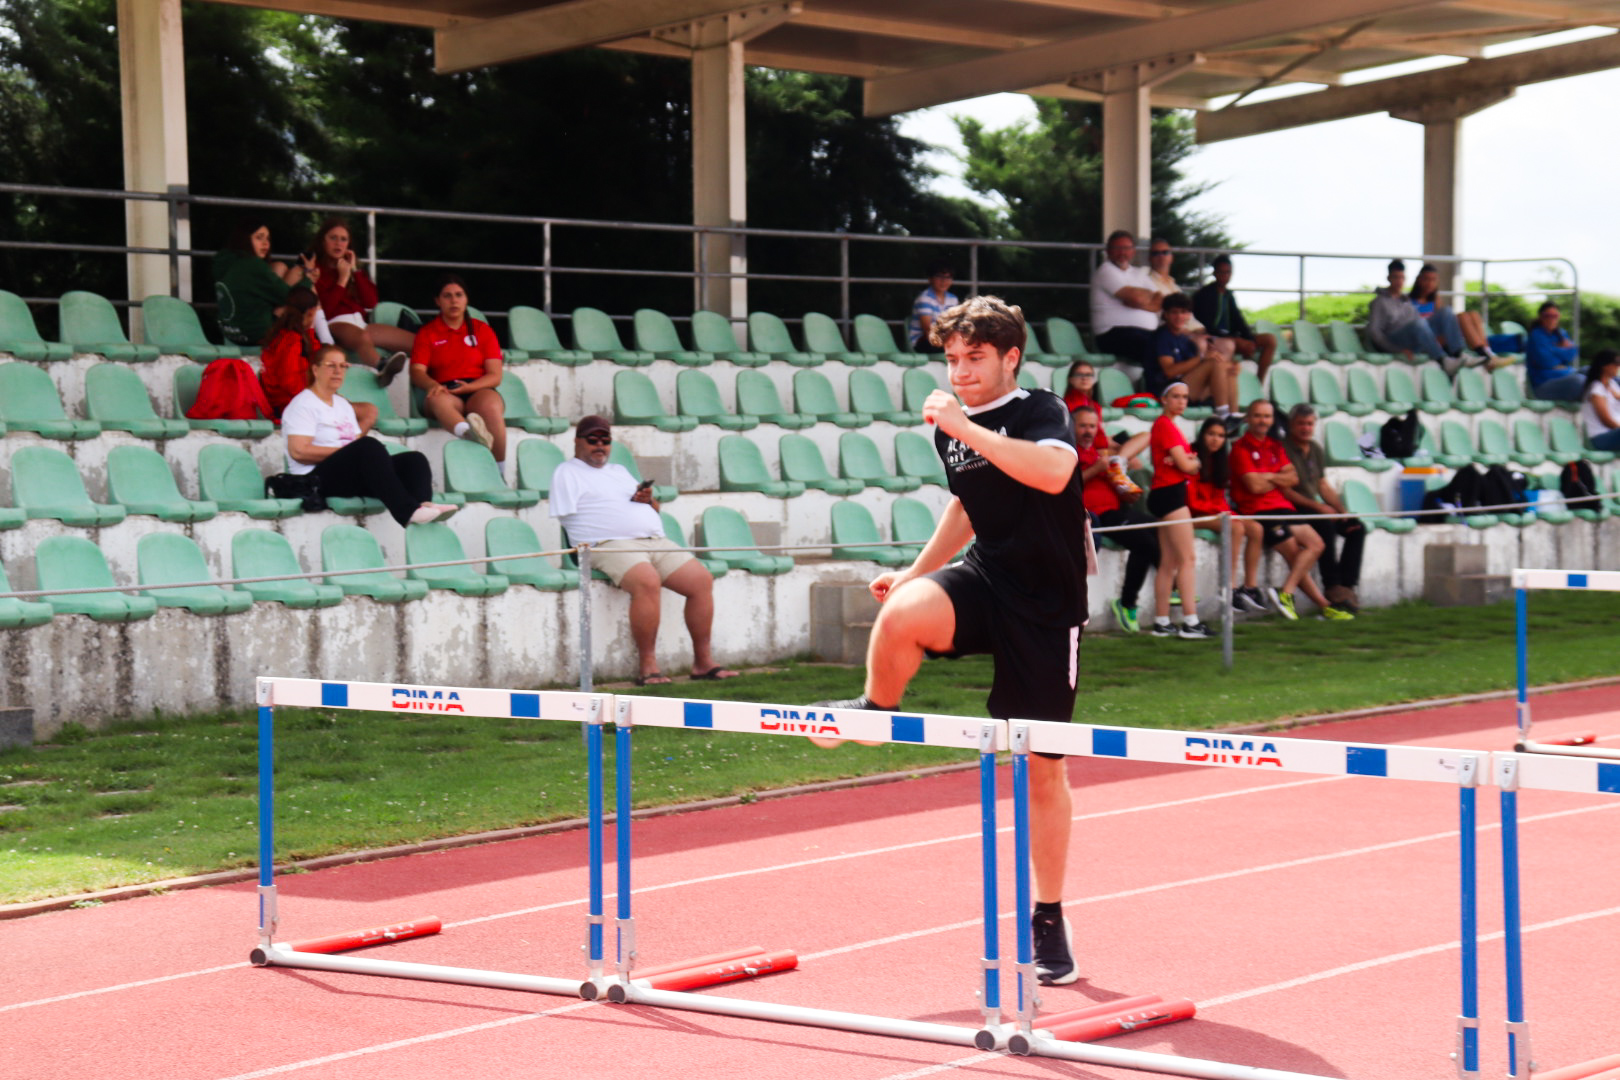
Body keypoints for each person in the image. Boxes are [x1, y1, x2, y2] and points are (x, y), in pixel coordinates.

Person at [811, 295, 1091, 986]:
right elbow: (968, 503)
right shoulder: (950, 427)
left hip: (1047, 608)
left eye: (975, 360)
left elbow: (1052, 473)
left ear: (1010, 358)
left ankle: (1049, 915)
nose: (960, 372)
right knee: (904, 612)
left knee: (1040, 767)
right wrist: (913, 572)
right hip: (987, 577)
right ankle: (877, 713)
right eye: (952, 360)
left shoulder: (1040, 411)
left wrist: (967, 424)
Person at [549, 415, 740, 687]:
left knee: (701, 580)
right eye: (592, 440)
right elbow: (565, 519)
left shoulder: (619, 471)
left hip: (652, 540)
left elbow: (652, 509)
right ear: (577, 441)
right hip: (606, 544)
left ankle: (703, 662)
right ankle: (648, 666)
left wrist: (648, 501)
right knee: (648, 581)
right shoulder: (567, 472)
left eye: (605, 440)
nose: (599, 445)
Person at [281, 346, 457, 527]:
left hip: (346, 475)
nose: (337, 371)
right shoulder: (303, 404)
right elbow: (299, 452)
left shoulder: (342, 404)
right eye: (331, 365)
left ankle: (423, 504)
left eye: (343, 366)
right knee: (367, 446)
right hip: (314, 480)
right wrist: (347, 453)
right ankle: (407, 511)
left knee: (413, 460)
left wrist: (355, 455)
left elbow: (353, 445)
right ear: (315, 369)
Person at [1228, 399, 1349, 621]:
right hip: (1259, 511)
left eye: (1267, 416)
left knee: (1316, 544)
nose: (1262, 421)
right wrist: (1277, 478)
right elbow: (1254, 487)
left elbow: (1292, 479)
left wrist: (1268, 476)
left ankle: (1287, 591)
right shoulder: (1240, 448)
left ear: (1272, 419)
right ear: (1248, 418)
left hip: (1283, 507)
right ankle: (1324, 605)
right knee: (1295, 553)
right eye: (1257, 416)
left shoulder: (1274, 445)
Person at [410, 275, 509, 477]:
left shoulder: (483, 330)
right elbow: (417, 371)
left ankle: (499, 474)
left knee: (490, 407)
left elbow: (495, 375)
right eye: (447, 296)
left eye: (458, 295)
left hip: (478, 388)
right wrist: (431, 385)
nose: (454, 301)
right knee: (437, 400)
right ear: (437, 301)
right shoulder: (428, 333)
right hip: (444, 389)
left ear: (466, 299)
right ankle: (470, 435)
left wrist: (469, 388)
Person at [1074, 404, 1154, 633]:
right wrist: (1096, 467)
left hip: (1117, 509)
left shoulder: (1098, 453)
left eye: (1092, 426)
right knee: (1146, 544)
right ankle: (1127, 603)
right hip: (1097, 514)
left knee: (1161, 531)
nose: (1088, 431)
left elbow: (1144, 437)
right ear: (1072, 426)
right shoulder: (1069, 450)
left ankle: (1173, 588)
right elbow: (1067, 484)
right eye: (1083, 426)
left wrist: (1120, 481)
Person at [1280, 404, 1364, 615]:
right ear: (1291, 425)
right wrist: (1320, 507)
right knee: (1324, 523)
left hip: (1314, 507)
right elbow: (1286, 491)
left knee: (1356, 527)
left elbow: (1323, 485)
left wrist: (1341, 510)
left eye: (1309, 423)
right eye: (1301, 423)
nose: (1306, 428)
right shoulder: (1282, 448)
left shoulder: (1315, 448)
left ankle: (1347, 586)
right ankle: (1332, 585)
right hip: (1292, 508)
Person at [308, 217, 413, 384]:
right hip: (334, 324)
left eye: (343, 239)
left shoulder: (351, 269)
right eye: (333, 238)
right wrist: (342, 280)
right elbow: (326, 310)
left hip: (360, 323)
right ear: (322, 241)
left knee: (414, 342)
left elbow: (371, 302)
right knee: (362, 337)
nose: (338, 243)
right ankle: (381, 367)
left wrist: (355, 271)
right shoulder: (315, 269)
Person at [1145, 382, 1213, 639]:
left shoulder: (1166, 426)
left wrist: (1186, 461)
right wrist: (1192, 460)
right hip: (1171, 495)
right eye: (1176, 397)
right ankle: (1191, 622)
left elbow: (1182, 461)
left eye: (1185, 397)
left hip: (1164, 494)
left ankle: (1162, 621)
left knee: (1169, 562)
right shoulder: (1166, 425)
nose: (1181, 401)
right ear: (1164, 399)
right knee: (1187, 560)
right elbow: (1188, 465)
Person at [1186, 417, 1268, 614]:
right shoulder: (1191, 456)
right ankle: (1228, 588)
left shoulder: (1219, 460)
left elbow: (1220, 498)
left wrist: (1226, 513)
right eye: (1211, 434)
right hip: (1191, 515)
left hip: (1213, 513)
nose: (1216, 440)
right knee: (1235, 527)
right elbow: (1192, 502)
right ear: (1202, 435)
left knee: (1256, 528)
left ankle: (1249, 587)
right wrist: (1223, 514)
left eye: (1221, 436)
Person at [213, 218, 332, 348]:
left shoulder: (223, 260)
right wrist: (308, 279)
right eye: (259, 238)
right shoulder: (253, 265)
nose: (265, 244)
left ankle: (323, 340)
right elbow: (289, 297)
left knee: (279, 267)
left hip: (231, 332)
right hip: (256, 334)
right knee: (306, 292)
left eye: (267, 239)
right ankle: (323, 343)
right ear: (244, 239)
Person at [1150, 293, 1238, 423]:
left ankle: (1233, 415)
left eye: (1183, 312)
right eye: (1174, 312)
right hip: (1166, 390)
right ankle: (1223, 415)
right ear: (1166, 315)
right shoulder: (1162, 336)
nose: (1179, 316)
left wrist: (1232, 365)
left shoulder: (1185, 338)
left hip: (1185, 387)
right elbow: (1169, 371)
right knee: (1213, 363)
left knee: (1227, 367)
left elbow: (1194, 367)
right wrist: (1202, 358)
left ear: (1189, 315)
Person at [1192, 255, 1277, 382]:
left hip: (1233, 336)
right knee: (1240, 344)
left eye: (1228, 272)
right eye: (1221, 272)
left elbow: (1239, 320)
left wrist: (1250, 340)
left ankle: (1259, 382)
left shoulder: (1228, 295)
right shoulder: (1204, 294)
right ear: (1214, 273)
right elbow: (1207, 326)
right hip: (1216, 338)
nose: (1225, 276)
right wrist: (1236, 339)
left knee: (1270, 340)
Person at [1144, 239, 1227, 362]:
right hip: (1174, 333)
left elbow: (1190, 317)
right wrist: (1193, 334)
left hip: (1193, 332)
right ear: (1150, 258)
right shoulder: (1147, 282)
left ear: (1171, 257)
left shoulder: (1175, 286)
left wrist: (1203, 332)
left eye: (1165, 252)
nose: (1161, 256)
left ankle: (1218, 378)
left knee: (1227, 345)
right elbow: (1164, 317)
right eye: (1156, 253)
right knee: (1202, 344)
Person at [1090, 230, 1161, 367]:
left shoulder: (1138, 273)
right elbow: (1136, 298)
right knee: (1153, 349)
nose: (1122, 252)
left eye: (1127, 248)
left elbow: (1159, 301)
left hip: (1142, 333)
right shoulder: (1106, 270)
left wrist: (1140, 300)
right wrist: (1144, 297)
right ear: (1108, 251)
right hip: (1112, 334)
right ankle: (1155, 387)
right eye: (1117, 248)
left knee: (1171, 344)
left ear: (1133, 251)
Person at [1409, 263, 1495, 364]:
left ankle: (1486, 352)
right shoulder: (1409, 301)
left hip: (1439, 336)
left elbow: (1441, 323)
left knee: (1473, 314)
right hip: (1425, 337)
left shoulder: (1435, 299)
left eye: (1433, 280)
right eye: (1426, 279)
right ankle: (1470, 353)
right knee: (1450, 312)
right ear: (1419, 279)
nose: (1430, 283)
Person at [1366, 260, 1448, 366]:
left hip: (1410, 341)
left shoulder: (1405, 301)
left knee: (1446, 313)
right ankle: (1442, 359)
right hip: (1393, 342)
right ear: (1389, 278)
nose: (1399, 281)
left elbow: (1419, 323)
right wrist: (1396, 350)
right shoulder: (1379, 302)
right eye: (1396, 277)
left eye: (1402, 278)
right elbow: (1374, 332)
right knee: (1420, 323)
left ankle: (1455, 353)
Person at [1525, 301, 1585, 401]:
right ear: (1541, 317)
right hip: (1543, 384)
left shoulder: (1561, 333)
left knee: (1592, 372)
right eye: (1547, 316)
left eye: (1555, 316)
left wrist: (1553, 350)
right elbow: (1546, 361)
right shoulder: (1536, 335)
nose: (1551, 319)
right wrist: (1561, 350)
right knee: (1580, 381)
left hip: (1565, 375)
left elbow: (1572, 353)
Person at [907, 262, 960, 354]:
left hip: (944, 339)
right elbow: (928, 330)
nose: (944, 281)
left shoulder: (953, 299)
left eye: (948, 277)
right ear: (930, 279)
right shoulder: (924, 298)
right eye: (939, 277)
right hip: (923, 341)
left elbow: (957, 324)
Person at [1578, 349, 1620, 453]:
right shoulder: (1596, 388)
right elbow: (1606, 420)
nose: (1618, 367)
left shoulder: (1613, 385)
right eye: (1616, 363)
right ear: (1605, 365)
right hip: (1600, 438)